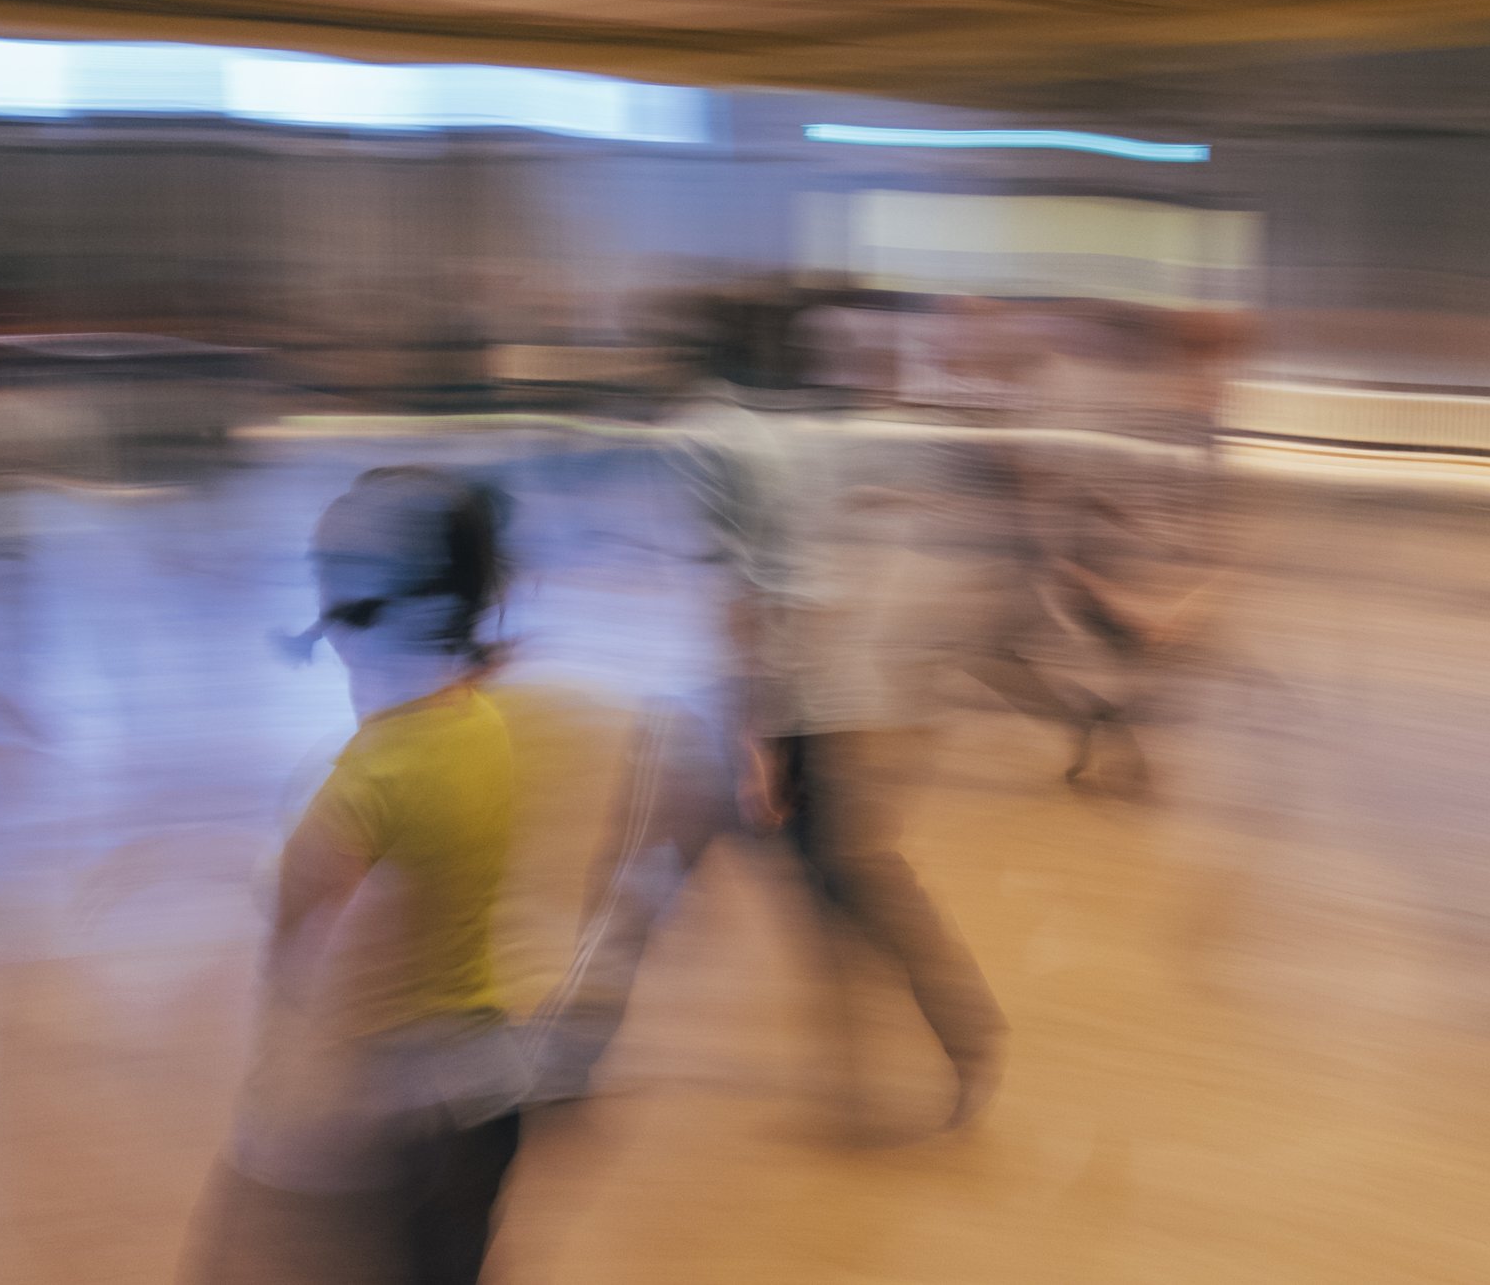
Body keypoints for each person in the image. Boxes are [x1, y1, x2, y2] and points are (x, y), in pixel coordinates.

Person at [542, 295, 1006, 1132]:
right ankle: (959, 1031)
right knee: (838, 886)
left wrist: (751, 736)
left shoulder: (711, 435)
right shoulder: (797, 436)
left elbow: (748, 592)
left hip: (744, 713)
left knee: (653, 884)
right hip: (800, 707)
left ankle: (569, 1057)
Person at [185, 467, 525, 1285]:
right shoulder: (483, 725)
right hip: (485, 1103)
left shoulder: (361, 788)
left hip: (382, 1136)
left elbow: (305, 985)